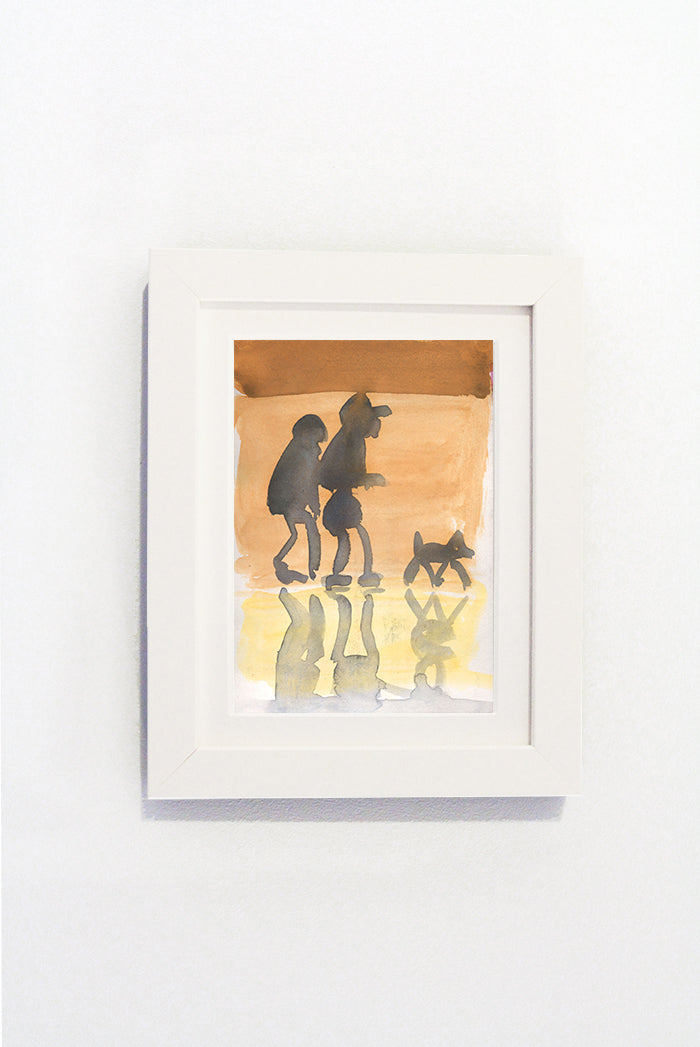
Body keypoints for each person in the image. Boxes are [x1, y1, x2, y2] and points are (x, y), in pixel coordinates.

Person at [319, 392, 391, 589]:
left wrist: (365, 479)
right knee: (356, 533)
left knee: (349, 535)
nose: (378, 425)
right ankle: (361, 573)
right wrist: (367, 478)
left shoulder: (353, 438)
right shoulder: (351, 440)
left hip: (342, 499)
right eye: (374, 420)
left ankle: (341, 575)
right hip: (341, 500)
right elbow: (334, 475)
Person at [267, 414, 328, 584]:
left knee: (295, 534)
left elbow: (310, 483)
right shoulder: (300, 455)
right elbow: (309, 483)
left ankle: (290, 564)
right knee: (305, 527)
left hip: (290, 504)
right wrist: (314, 504)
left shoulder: (301, 453)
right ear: (304, 435)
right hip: (288, 503)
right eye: (314, 441)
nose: (318, 448)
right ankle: (312, 568)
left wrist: (314, 504)